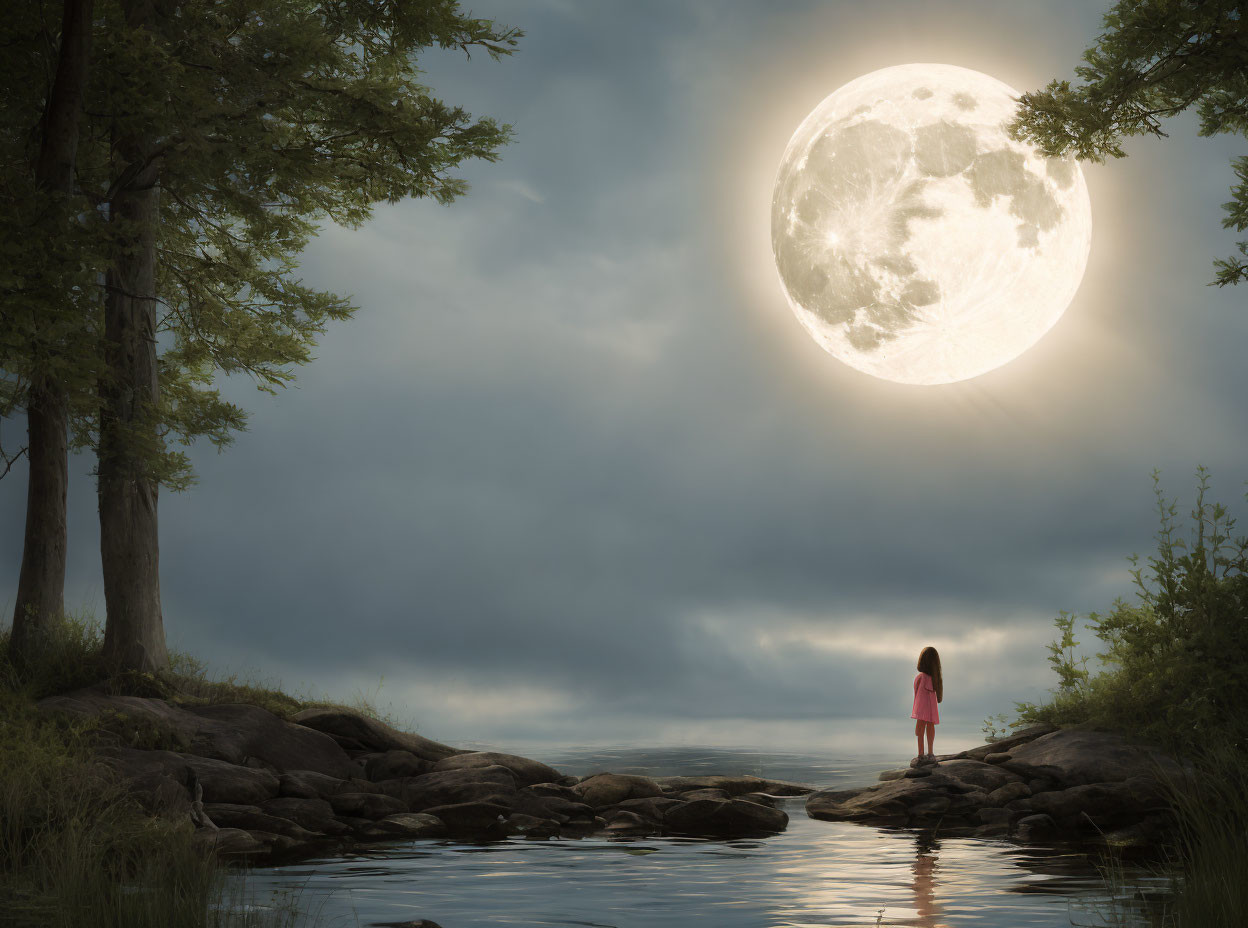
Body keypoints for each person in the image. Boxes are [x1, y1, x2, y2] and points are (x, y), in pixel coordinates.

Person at [911, 646, 943, 765]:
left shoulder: (921, 677)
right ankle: (928, 753)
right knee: (928, 728)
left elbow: (916, 694)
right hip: (928, 708)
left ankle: (922, 754)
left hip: (922, 708)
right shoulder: (934, 679)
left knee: (921, 729)